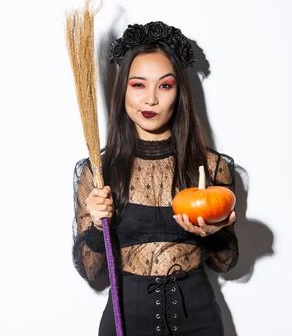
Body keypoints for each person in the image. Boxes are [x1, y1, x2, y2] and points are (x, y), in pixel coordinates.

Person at [71, 21, 239, 336]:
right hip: (126, 323)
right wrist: (96, 225)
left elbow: (226, 263)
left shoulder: (211, 168)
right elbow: (91, 271)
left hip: (199, 323)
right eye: (138, 85)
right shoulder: (98, 171)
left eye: (164, 85)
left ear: (179, 92)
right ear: (123, 90)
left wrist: (214, 233)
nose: (150, 100)